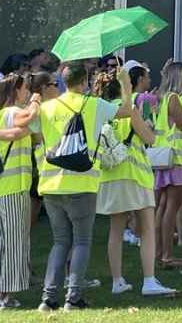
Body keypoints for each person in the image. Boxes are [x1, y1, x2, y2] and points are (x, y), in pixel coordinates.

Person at [34, 61, 123, 311]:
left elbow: (34, 135)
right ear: (84, 81)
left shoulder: (47, 107)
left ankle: (48, 298)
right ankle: (73, 297)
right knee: (82, 241)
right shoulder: (95, 105)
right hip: (82, 182)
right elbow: (125, 111)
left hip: (51, 183)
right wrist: (124, 83)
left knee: (60, 241)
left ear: (63, 82)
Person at [95, 68, 176, 298]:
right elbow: (150, 139)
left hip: (110, 176)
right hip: (136, 175)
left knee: (116, 230)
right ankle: (149, 281)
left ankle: (117, 281)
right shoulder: (130, 109)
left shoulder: (102, 110)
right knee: (148, 229)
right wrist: (148, 127)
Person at [0, 72, 40, 310]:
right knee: (16, 244)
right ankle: (4, 295)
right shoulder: (14, 112)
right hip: (13, 188)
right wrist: (35, 99)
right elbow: (28, 119)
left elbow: (28, 133)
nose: (27, 92)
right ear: (17, 90)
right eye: (25, 89)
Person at [152, 61, 182, 268]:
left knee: (163, 207)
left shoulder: (164, 97)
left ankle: (159, 252)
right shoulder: (175, 99)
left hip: (166, 159)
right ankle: (167, 254)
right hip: (175, 159)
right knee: (172, 208)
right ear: (178, 77)